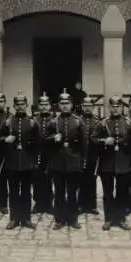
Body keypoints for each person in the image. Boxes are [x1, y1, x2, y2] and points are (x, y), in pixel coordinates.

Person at [91, 96, 131, 231]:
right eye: (113, 106)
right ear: (109, 107)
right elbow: (93, 139)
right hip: (107, 163)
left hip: (124, 163)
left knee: (122, 192)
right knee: (108, 193)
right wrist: (104, 141)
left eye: (118, 106)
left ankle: (121, 218)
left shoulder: (128, 123)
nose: (115, 109)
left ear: (122, 108)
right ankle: (109, 219)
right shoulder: (103, 123)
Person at [45, 89, 87, 230]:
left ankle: (73, 218)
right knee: (59, 192)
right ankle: (59, 219)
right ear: (58, 105)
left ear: (72, 104)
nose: (64, 106)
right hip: (57, 163)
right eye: (62, 103)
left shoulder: (78, 122)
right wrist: (53, 139)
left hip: (74, 162)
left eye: (67, 103)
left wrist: (82, 163)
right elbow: (44, 141)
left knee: (72, 193)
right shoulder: (53, 122)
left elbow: (83, 144)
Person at [0, 91, 40, 230]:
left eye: (23, 104)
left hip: (28, 163)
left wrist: (34, 162)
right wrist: (5, 140)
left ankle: (26, 219)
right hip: (12, 163)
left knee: (27, 192)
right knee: (14, 192)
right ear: (14, 106)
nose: (20, 106)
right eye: (17, 104)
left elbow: (37, 144)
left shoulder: (33, 123)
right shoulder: (7, 122)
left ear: (27, 105)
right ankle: (14, 219)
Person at [32, 92, 54, 214]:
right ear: (38, 106)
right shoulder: (34, 119)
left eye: (46, 104)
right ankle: (38, 203)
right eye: (42, 104)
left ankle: (49, 203)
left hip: (50, 153)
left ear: (50, 106)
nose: (44, 107)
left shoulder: (54, 120)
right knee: (36, 179)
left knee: (49, 178)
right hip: (37, 153)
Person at [78, 96, 101, 215]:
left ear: (93, 107)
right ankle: (81, 205)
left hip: (93, 154)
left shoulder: (97, 121)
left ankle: (92, 205)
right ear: (82, 107)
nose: (87, 108)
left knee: (92, 180)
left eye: (89, 106)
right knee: (81, 180)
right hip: (80, 154)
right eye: (85, 106)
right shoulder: (77, 120)